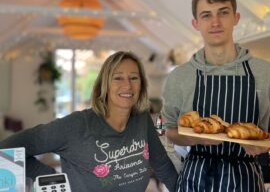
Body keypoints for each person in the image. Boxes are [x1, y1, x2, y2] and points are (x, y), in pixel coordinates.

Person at [162, 0, 270, 192]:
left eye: (223, 12)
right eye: (206, 15)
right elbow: (170, 129)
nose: (215, 22)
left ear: (236, 18)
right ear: (196, 23)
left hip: (245, 179)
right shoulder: (180, 76)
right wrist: (192, 137)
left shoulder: (267, 73)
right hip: (195, 178)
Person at [0, 51, 178, 192]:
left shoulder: (141, 120)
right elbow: (6, 148)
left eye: (134, 78)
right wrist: (55, 181)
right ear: (104, 84)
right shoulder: (77, 125)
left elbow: (162, 165)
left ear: (141, 85)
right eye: (118, 78)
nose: (128, 85)